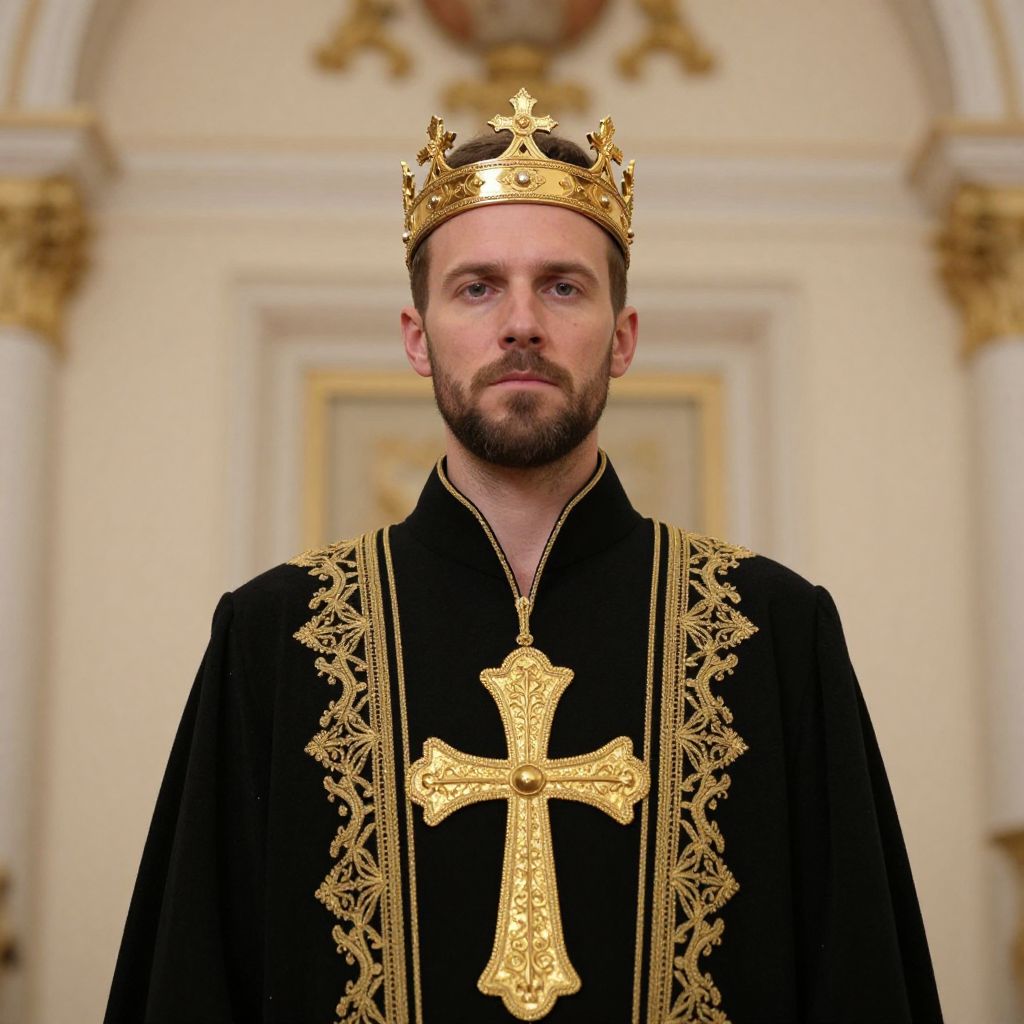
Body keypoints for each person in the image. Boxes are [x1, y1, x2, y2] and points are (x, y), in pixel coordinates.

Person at [105, 89, 943, 1024]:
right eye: (477, 287)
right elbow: (192, 979)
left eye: (562, 285)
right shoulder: (275, 635)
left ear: (620, 339)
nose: (521, 325)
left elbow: (862, 977)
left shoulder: (774, 629)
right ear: (418, 339)